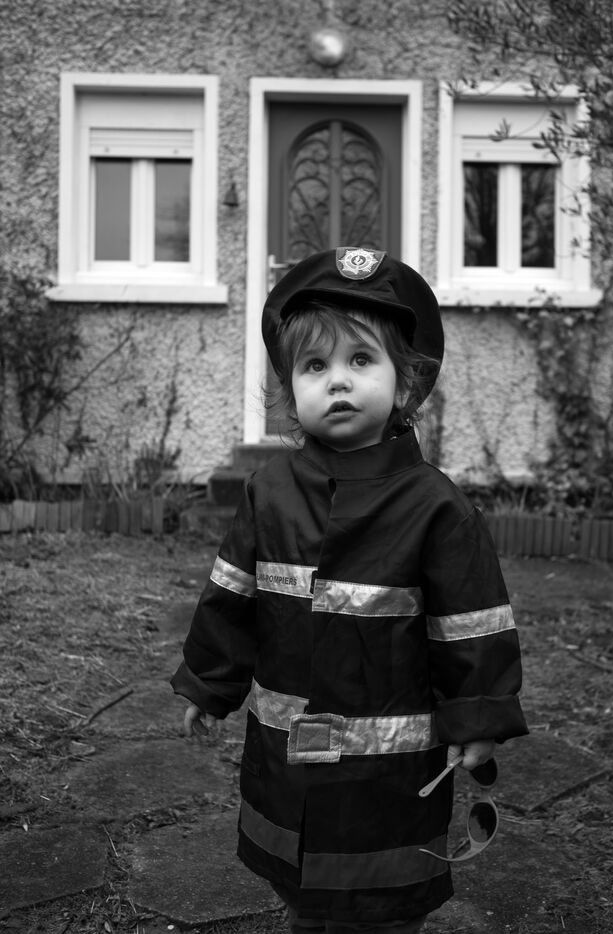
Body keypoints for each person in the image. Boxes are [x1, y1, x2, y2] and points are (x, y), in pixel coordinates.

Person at [171, 247, 528, 934]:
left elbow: (471, 624)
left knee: (386, 894)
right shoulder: (269, 493)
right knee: (299, 879)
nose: (337, 379)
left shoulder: (436, 507)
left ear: (405, 383)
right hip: (289, 757)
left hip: (390, 771)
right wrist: (207, 684)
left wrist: (477, 718)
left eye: (360, 360)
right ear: (289, 390)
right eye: (314, 366)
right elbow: (232, 598)